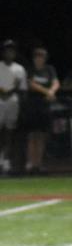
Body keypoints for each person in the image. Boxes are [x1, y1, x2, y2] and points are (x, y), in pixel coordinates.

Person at [22, 47, 59, 173]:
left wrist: (52, 91)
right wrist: (47, 91)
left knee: (42, 136)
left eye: (42, 56)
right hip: (32, 105)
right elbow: (31, 84)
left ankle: (38, 164)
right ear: (34, 58)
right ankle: (30, 163)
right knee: (32, 135)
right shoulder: (30, 69)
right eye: (37, 56)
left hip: (45, 106)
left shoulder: (49, 69)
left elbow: (55, 82)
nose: (40, 59)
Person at [0, 40, 27, 173]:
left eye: (12, 50)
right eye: (7, 50)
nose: (9, 52)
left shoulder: (19, 69)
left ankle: (5, 160)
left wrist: (11, 93)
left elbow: (22, 89)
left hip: (13, 102)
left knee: (9, 133)